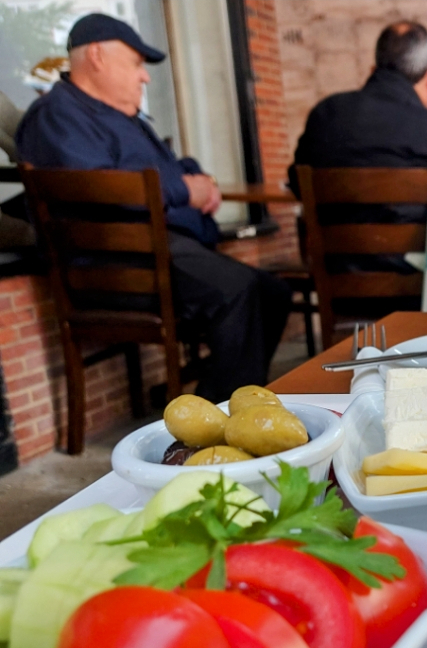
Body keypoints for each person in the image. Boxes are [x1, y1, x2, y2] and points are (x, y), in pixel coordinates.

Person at [15, 14, 291, 403]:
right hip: (119, 265)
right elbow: (103, 189)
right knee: (237, 290)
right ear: (97, 56)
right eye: (136, 63)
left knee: (274, 292)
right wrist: (184, 190)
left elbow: (169, 166)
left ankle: (223, 395)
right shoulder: (56, 116)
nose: (145, 77)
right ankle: (217, 417)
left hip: (160, 249)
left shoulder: (125, 118)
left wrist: (200, 180)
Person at [288, 21, 427, 274]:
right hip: (422, 288)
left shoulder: (324, 116)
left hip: (338, 282)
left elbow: (298, 182)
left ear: (374, 70)